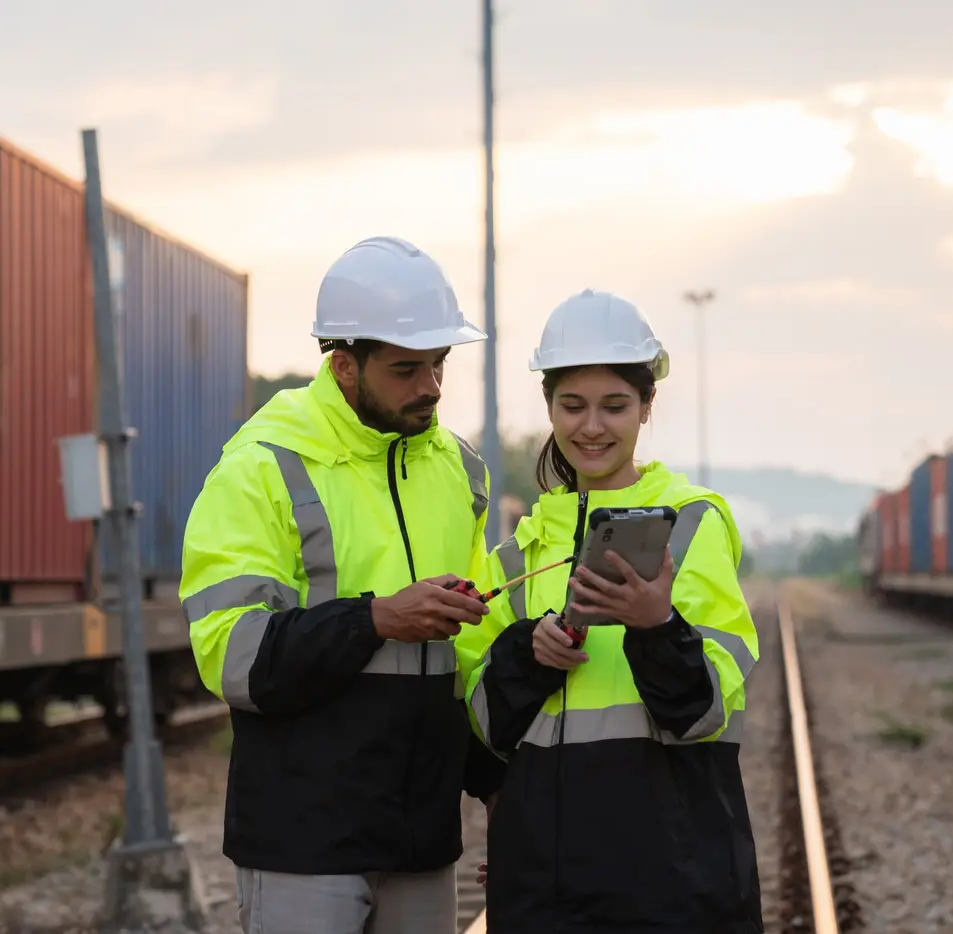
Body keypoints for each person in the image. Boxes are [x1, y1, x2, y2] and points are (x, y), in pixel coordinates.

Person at [180, 235, 506, 934]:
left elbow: (470, 660)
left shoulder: (459, 472)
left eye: (439, 364)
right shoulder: (261, 466)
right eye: (405, 368)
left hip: (420, 839)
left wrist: (501, 783)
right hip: (304, 843)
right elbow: (233, 656)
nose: (431, 386)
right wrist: (375, 619)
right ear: (343, 364)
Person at [456, 289, 763, 933]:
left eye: (615, 406)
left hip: (669, 885)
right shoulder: (517, 557)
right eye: (572, 405)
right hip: (546, 892)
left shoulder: (691, 523)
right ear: (549, 406)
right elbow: (477, 736)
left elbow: (705, 710)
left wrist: (656, 627)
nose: (591, 426)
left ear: (647, 407)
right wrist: (527, 653)